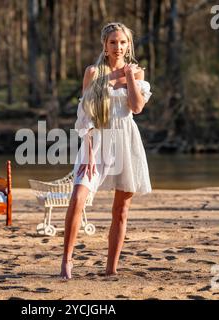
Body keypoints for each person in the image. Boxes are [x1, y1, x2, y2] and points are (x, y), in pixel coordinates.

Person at [60, 22, 153, 280]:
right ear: (105, 44)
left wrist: (131, 76)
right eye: (113, 42)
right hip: (97, 140)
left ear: (129, 44)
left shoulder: (138, 73)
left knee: (121, 209)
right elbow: (84, 116)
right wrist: (88, 151)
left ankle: (111, 268)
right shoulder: (92, 72)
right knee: (78, 196)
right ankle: (67, 260)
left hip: (125, 140)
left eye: (123, 42)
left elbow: (136, 107)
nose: (118, 47)